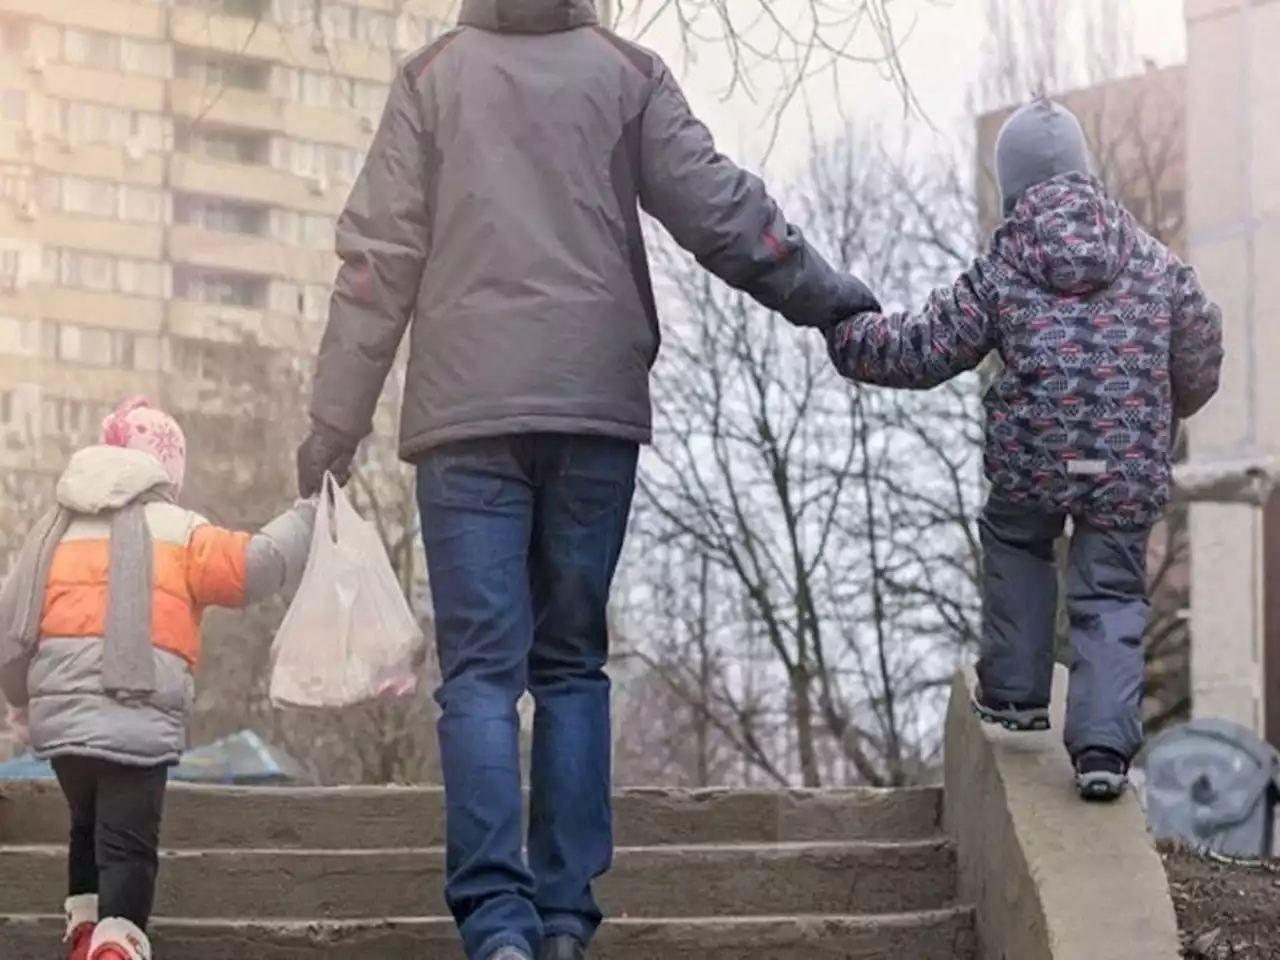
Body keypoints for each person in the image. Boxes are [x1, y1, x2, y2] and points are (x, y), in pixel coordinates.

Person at [293, 1, 879, 958]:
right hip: (591, 407)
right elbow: (721, 211)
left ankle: (496, 926)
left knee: (481, 673)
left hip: (464, 415)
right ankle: (563, 919)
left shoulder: (432, 79)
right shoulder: (627, 73)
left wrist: (335, 421)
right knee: (570, 664)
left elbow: (377, 263)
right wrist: (831, 302)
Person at [824, 97, 1224, 802]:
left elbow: (924, 348)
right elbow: (1201, 345)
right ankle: (1102, 751)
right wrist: (1170, 406)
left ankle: (1013, 694)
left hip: (1035, 454)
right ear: (1086, 174)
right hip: (1127, 459)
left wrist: (847, 334)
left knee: (1017, 541)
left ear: (1012, 185)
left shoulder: (1005, 264)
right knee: (1111, 593)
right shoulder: (1153, 259)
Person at [0, 397, 316, 960]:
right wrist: (307, 516)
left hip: (62, 727)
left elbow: (11, 627)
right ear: (168, 469)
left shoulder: (51, 530)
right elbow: (254, 566)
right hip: (135, 720)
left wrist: (21, 701)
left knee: (86, 827)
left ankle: (84, 934)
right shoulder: (178, 529)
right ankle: (117, 945)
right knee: (126, 846)